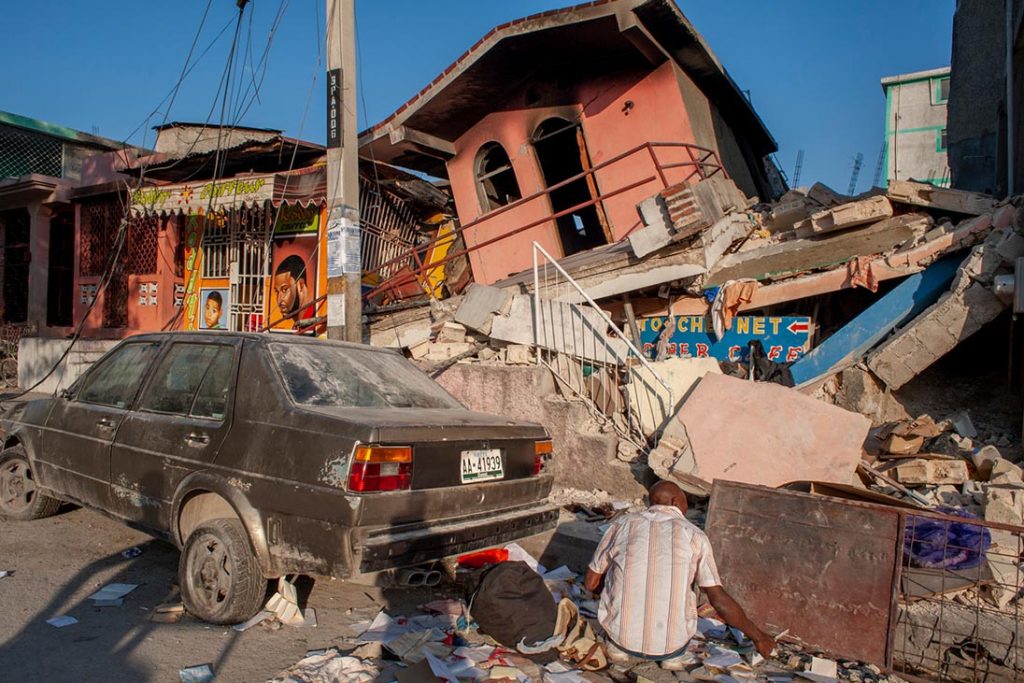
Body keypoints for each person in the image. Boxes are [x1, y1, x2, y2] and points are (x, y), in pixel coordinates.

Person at [584, 480, 774, 670]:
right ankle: (672, 659)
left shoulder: (621, 525)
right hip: (671, 647)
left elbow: (590, 583)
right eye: (686, 503)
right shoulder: (694, 535)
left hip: (620, 639)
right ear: (676, 502)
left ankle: (620, 650)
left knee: (615, 582)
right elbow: (718, 600)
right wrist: (759, 637)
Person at [273, 255, 318, 332]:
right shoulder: (299, 323)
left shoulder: (314, 319)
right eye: (277, 292)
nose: (279, 300)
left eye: (284, 290)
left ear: (300, 285)